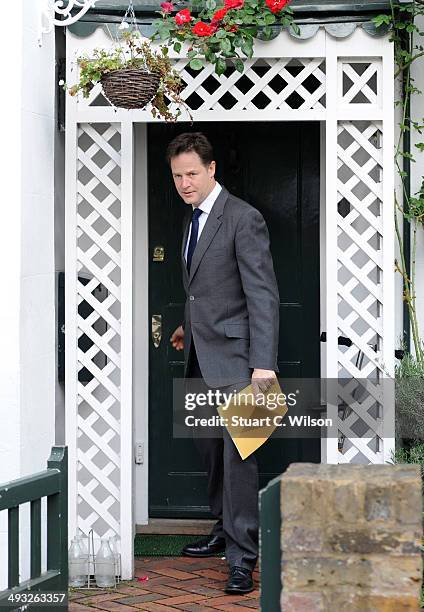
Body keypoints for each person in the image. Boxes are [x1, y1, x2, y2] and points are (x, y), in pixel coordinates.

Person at [168, 132, 279, 594]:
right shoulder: (193, 220)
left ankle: (243, 558)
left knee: (239, 459)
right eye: (177, 176)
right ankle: (222, 527)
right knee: (210, 449)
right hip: (200, 355)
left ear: (212, 170)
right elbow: (203, 288)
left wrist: (263, 365)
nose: (184, 183)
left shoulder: (243, 218)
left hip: (240, 362)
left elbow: (262, 294)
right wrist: (185, 326)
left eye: (192, 173)